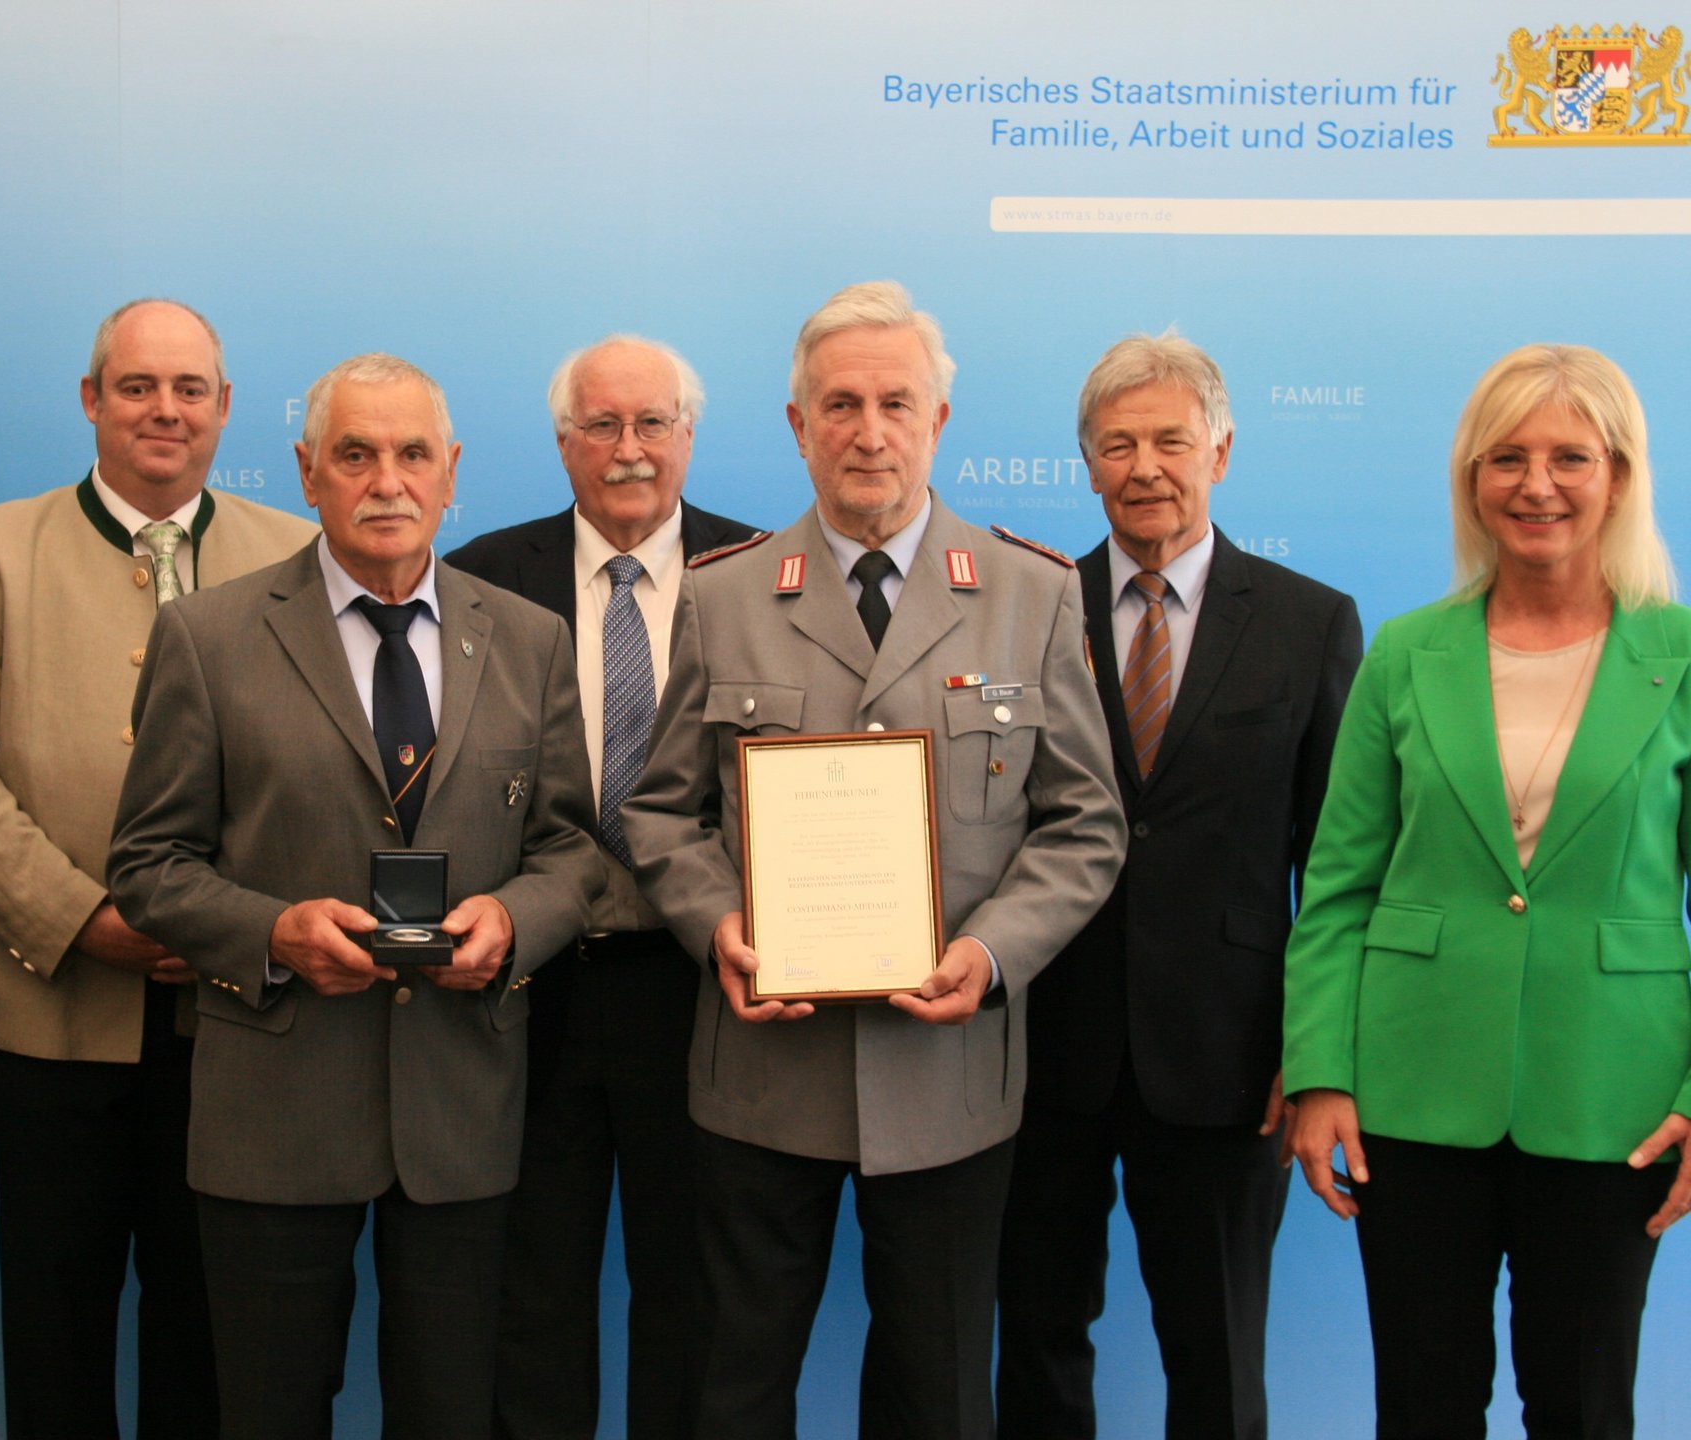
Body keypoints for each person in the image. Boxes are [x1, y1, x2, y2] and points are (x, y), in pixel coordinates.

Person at [621, 281, 1127, 1439]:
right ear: (798, 425)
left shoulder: (1034, 594)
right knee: (735, 1389)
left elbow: (1084, 824)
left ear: (937, 420)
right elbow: (661, 814)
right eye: (839, 405)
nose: (868, 431)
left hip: (949, 1073)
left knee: (937, 1395)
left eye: (895, 403)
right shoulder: (722, 594)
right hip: (763, 1072)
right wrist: (718, 927)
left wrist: (991, 956)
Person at [106, 352, 603, 1440]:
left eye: (413, 454)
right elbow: (147, 863)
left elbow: (572, 849)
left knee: (450, 1413)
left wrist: (514, 921)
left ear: (451, 471)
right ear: (307, 472)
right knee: (269, 1413)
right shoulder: (209, 636)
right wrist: (271, 931)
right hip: (274, 1103)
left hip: (461, 1104)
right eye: (356, 454)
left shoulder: (529, 639)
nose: (387, 481)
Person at [0, 298, 315, 1438]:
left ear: (226, 408)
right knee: (56, 1328)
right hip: (51, 1010)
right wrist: (88, 919)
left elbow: (327, 772)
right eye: (137, 386)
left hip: (237, 1019)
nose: (164, 410)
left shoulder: (297, 554)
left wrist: (233, 924)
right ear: (92, 400)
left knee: (209, 1331)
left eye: (190, 389)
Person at [1286, 343, 1691, 1439]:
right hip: (1413, 1094)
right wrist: (1319, 1070)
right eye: (1506, 458)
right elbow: (1338, 888)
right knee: (1422, 1406)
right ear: (1472, 480)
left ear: (1619, 475)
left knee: (1583, 1407)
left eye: (1570, 458)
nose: (1536, 484)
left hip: (1613, 1099)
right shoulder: (1406, 652)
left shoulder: (1682, 655)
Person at [995, 333, 1362, 1440]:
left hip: (1231, 1059)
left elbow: (1335, 866)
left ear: (1222, 451)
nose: (1145, 467)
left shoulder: (1309, 621)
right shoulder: (1026, 606)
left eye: (1170, 440)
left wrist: (1317, 1049)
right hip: (1041, 1048)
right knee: (1037, 1341)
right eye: (1117, 445)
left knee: (1218, 1359)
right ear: (1086, 465)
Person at [446, 335, 764, 1440]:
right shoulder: (480, 579)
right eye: (602, 425)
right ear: (563, 441)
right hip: (530, 990)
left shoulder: (762, 573)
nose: (629, 449)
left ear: (689, 436)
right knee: (529, 1298)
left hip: (705, 990)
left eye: (653, 423)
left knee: (696, 1296)